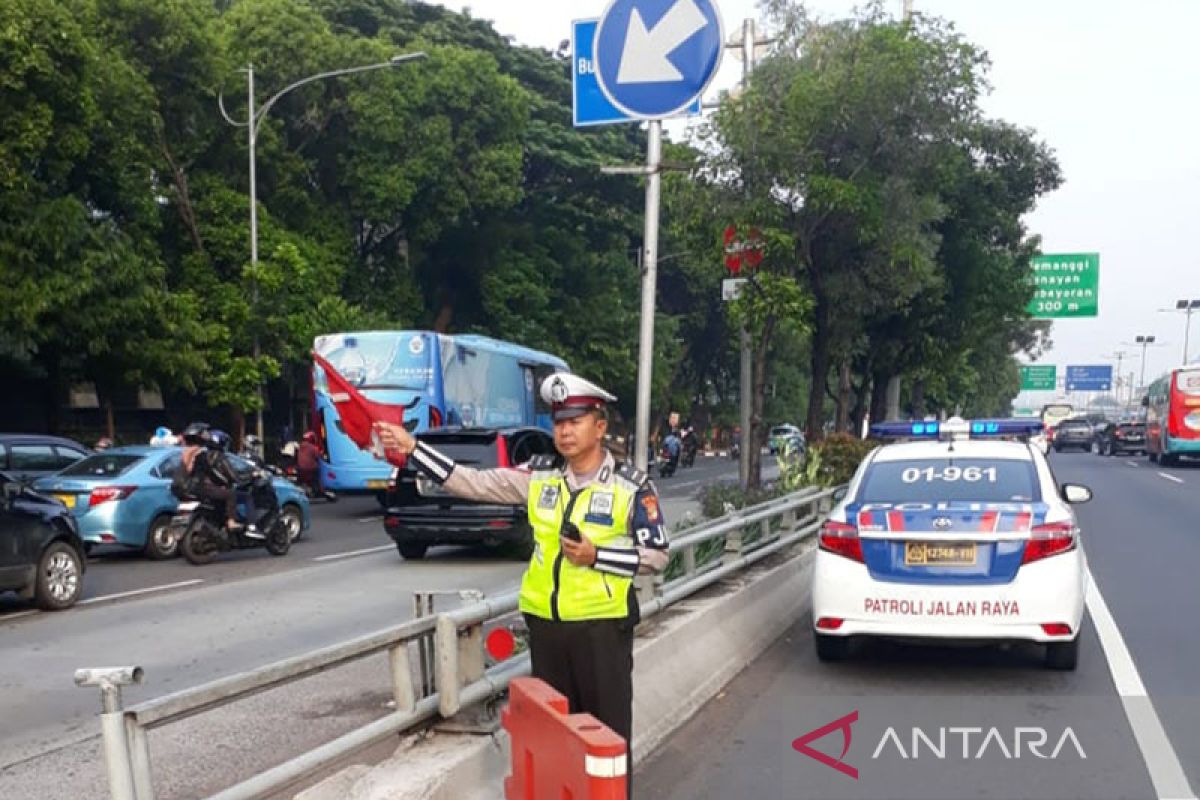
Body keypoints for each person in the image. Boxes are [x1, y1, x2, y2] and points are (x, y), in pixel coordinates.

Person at [374, 373, 668, 793]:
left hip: (601, 630)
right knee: (553, 737)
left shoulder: (631, 486)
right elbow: (472, 482)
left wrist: (596, 556)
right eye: (558, 422)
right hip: (546, 629)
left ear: (599, 427)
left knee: (607, 739)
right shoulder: (540, 477)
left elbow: (657, 555)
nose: (564, 431)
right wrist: (414, 450)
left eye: (575, 421)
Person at [176, 422, 250, 535]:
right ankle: (231, 522)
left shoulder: (188, 451)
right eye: (204, 433)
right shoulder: (202, 453)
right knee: (231, 494)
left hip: (187, 487)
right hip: (200, 487)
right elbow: (212, 472)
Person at [296, 432, 323, 499]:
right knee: (317, 473)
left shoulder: (300, 446)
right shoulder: (313, 447)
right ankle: (318, 490)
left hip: (300, 469)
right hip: (310, 469)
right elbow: (318, 457)